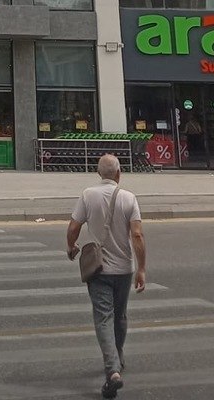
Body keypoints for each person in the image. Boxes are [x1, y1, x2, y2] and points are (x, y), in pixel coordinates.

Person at [66, 154, 146, 398]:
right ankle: (117, 357)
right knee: (119, 315)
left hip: (99, 269)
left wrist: (71, 246)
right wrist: (141, 268)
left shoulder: (88, 195)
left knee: (103, 318)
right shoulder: (129, 198)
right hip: (124, 269)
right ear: (119, 173)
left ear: (98, 173)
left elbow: (73, 226)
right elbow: (137, 235)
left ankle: (112, 370)